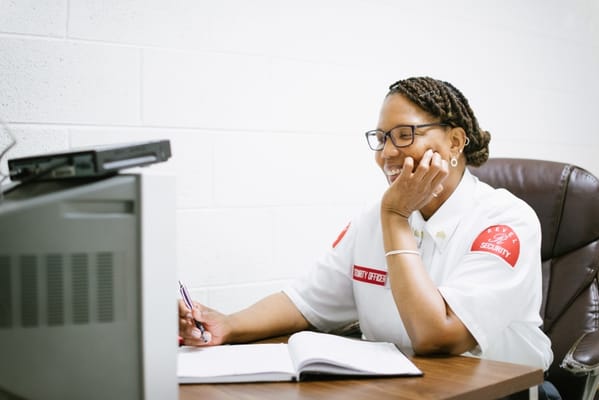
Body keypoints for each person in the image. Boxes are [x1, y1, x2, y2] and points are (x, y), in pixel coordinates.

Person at [179, 77, 554, 394]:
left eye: (405, 135)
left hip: (500, 392)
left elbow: (438, 336)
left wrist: (395, 217)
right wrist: (228, 324)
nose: (387, 153)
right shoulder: (372, 220)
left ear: (455, 142)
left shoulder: (505, 222)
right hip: (407, 387)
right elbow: (304, 302)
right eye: (381, 138)